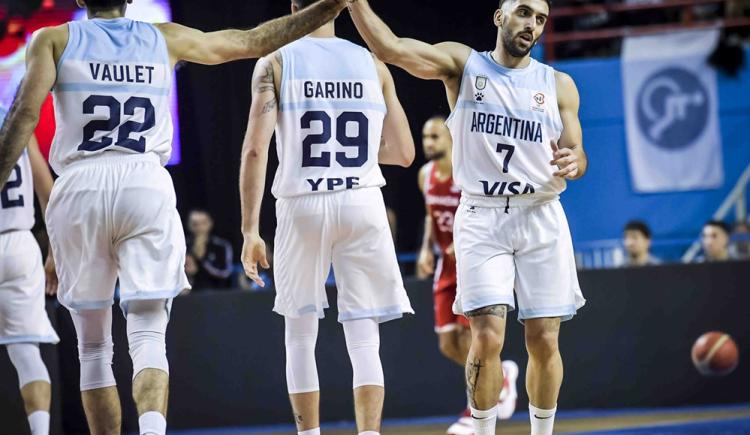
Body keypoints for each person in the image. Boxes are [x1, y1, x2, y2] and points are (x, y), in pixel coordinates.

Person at [0, 1, 350, 434]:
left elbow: (24, 116)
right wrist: (332, 5)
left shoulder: (52, 39)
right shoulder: (164, 37)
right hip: (144, 182)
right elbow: (253, 41)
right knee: (147, 335)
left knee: (92, 347)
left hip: (79, 185)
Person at [346, 1, 588, 434]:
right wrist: (354, 3)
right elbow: (391, 48)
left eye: (540, 19)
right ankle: (482, 429)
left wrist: (576, 160)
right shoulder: (464, 65)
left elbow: (577, 152)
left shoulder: (559, 85)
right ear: (499, 16)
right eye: (524, 12)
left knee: (544, 338)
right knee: (487, 336)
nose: (531, 24)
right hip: (482, 214)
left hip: (541, 213)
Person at [239, 1, 416, 433]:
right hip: (362, 199)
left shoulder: (275, 62)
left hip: (303, 202)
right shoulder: (373, 64)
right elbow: (405, 153)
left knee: (300, 334)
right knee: (363, 332)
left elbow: (256, 150)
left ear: (294, 5)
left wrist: (249, 229)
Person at [416, 116, 518, 434]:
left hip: (472, 263)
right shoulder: (425, 175)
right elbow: (431, 216)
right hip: (445, 267)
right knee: (448, 344)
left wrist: (467, 242)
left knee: (471, 339)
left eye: (434, 136)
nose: (428, 143)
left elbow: (488, 211)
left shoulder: (467, 173)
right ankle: (501, 377)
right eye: (425, 137)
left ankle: (473, 411)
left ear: (450, 138)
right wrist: (424, 249)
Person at [0, 105, 59, 435]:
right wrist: (54, 249)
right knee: (26, 353)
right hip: (21, 246)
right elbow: (47, 190)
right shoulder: (14, 120)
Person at [185, 209, 234, 289]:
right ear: (189, 225)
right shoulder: (184, 246)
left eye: (203, 223)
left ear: (210, 223)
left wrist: (203, 261)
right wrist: (186, 271)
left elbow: (226, 272)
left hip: (216, 291)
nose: (199, 228)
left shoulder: (221, 246)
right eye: (195, 224)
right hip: (190, 292)